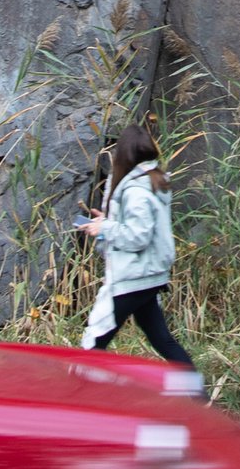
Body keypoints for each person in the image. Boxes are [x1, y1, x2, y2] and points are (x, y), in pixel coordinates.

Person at [77, 124, 195, 369]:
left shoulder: (135, 191)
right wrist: (106, 222)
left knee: (94, 341)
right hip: (149, 277)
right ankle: (197, 399)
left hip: (132, 278)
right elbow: (139, 227)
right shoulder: (153, 182)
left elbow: (137, 237)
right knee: (163, 341)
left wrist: (105, 228)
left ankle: (74, 398)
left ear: (124, 155)